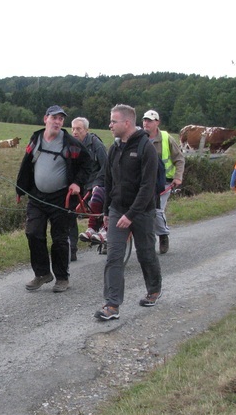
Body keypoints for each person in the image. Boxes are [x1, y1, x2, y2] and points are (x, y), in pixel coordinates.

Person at [95, 104, 162, 321]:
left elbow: (147, 187)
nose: (110, 125)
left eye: (113, 121)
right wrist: (107, 210)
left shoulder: (146, 148)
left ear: (126, 123)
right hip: (117, 210)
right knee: (114, 256)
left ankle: (153, 290)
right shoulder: (114, 149)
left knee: (145, 253)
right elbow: (108, 181)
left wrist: (131, 215)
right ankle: (111, 305)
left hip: (142, 212)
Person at [16, 105, 92, 293]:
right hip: (37, 196)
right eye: (54, 118)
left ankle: (62, 278)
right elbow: (26, 164)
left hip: (61, 198)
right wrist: (20, 189)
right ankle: (42, 274)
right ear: (45, 119)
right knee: (33, 232)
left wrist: (76, 183)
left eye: (61, 119)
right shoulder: (36, 139)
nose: (57, 122)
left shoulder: (70, 142)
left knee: (59, 239)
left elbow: (87, 164)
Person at [142, 110, 185, 254]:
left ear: (157, 123)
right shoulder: (140, 138)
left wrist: (178, 177)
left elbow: (179, 159)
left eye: (150, 120)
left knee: (156, 209)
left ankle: (163, 235)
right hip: (144, 182)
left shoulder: (166, 138)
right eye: (145, 120)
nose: (146, 123)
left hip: (164, 182)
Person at [68, 117, 108, 256]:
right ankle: (71, 249)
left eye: (78, 129)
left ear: (86, 130)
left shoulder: (96, 145)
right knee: (69, 211)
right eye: (73, 129)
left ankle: (104, 235)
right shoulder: (70, 145)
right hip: (78, 185)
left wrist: (96, 184)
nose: (75, 132)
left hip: (94, 185)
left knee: (98, 205)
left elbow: (106, 166)